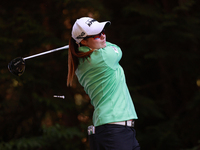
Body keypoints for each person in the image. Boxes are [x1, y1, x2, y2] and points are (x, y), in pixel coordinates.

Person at [67, 17, 140, 150]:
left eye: (103, 31)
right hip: (115, 131)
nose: (103, 36)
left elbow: (102, 45)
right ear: (83, 41)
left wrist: (85, 42)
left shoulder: (81, 61)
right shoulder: (103, 57)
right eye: (96, 35)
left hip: (113, 130)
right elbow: (117, 49)